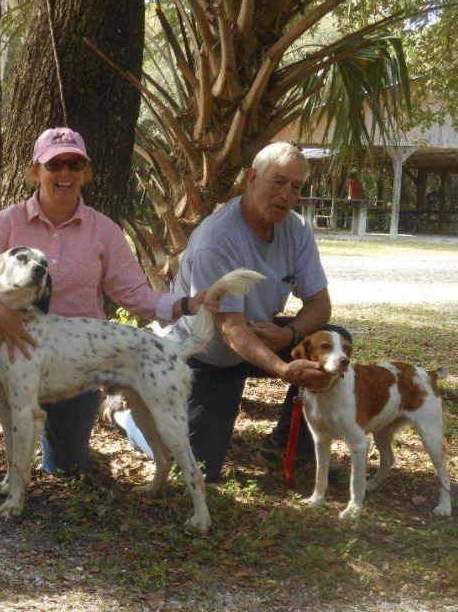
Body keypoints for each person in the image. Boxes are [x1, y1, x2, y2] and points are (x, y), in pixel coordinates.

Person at [0, 127, 218, 506]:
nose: (65, 172)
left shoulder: (102, 230)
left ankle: (93, 440)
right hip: (11, 332)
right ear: (37, 171)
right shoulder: (7, 223)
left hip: (80, 355)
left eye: (74, 164)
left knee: (64, 465)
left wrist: (186, 306)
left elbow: (134, 294)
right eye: (55, 164)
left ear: (84, 172)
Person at [109, 142, 351, 483]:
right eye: (278, 182)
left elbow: (320, 305)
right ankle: (129, 418)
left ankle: (287, 448)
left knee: (335, 340)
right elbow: (231, 330)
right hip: (201, 353)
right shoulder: (217, 237)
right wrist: (283, 368)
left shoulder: (296, 229)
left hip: (258, 337)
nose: (286, 195)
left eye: (296, 187)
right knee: (197, 468)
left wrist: (290, 334)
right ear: (253, 178)